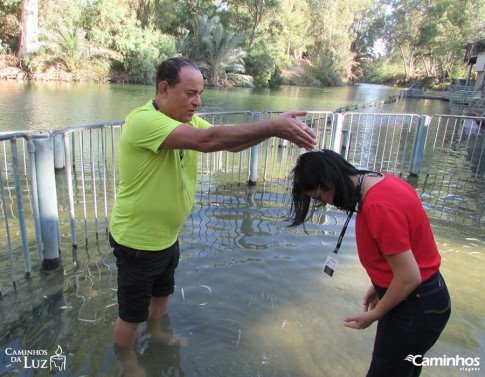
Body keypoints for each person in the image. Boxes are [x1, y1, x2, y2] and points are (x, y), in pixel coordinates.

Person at [109, 57, 316, 352]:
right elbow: (206, 141)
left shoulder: (186, 121)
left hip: (166, 237)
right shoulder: (143, 121)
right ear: (164, 89)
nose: (197, 102)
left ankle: (156, 336)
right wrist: (273, 126)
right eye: (190, 93)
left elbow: (228, 143)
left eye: (200, 94)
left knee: (161, 296)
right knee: (130, 315)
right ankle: (127, 363)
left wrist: (271, 129)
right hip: (137, 241)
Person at [287, 149, 451, 377]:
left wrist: (374, 315)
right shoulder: (380, 181)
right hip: (420, 298)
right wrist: (380, 283)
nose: (325, 203)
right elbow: (408, 251)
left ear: (328, 182)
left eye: (318, 197)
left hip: (416, 306)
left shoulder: (377, 206)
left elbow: (409, 276)